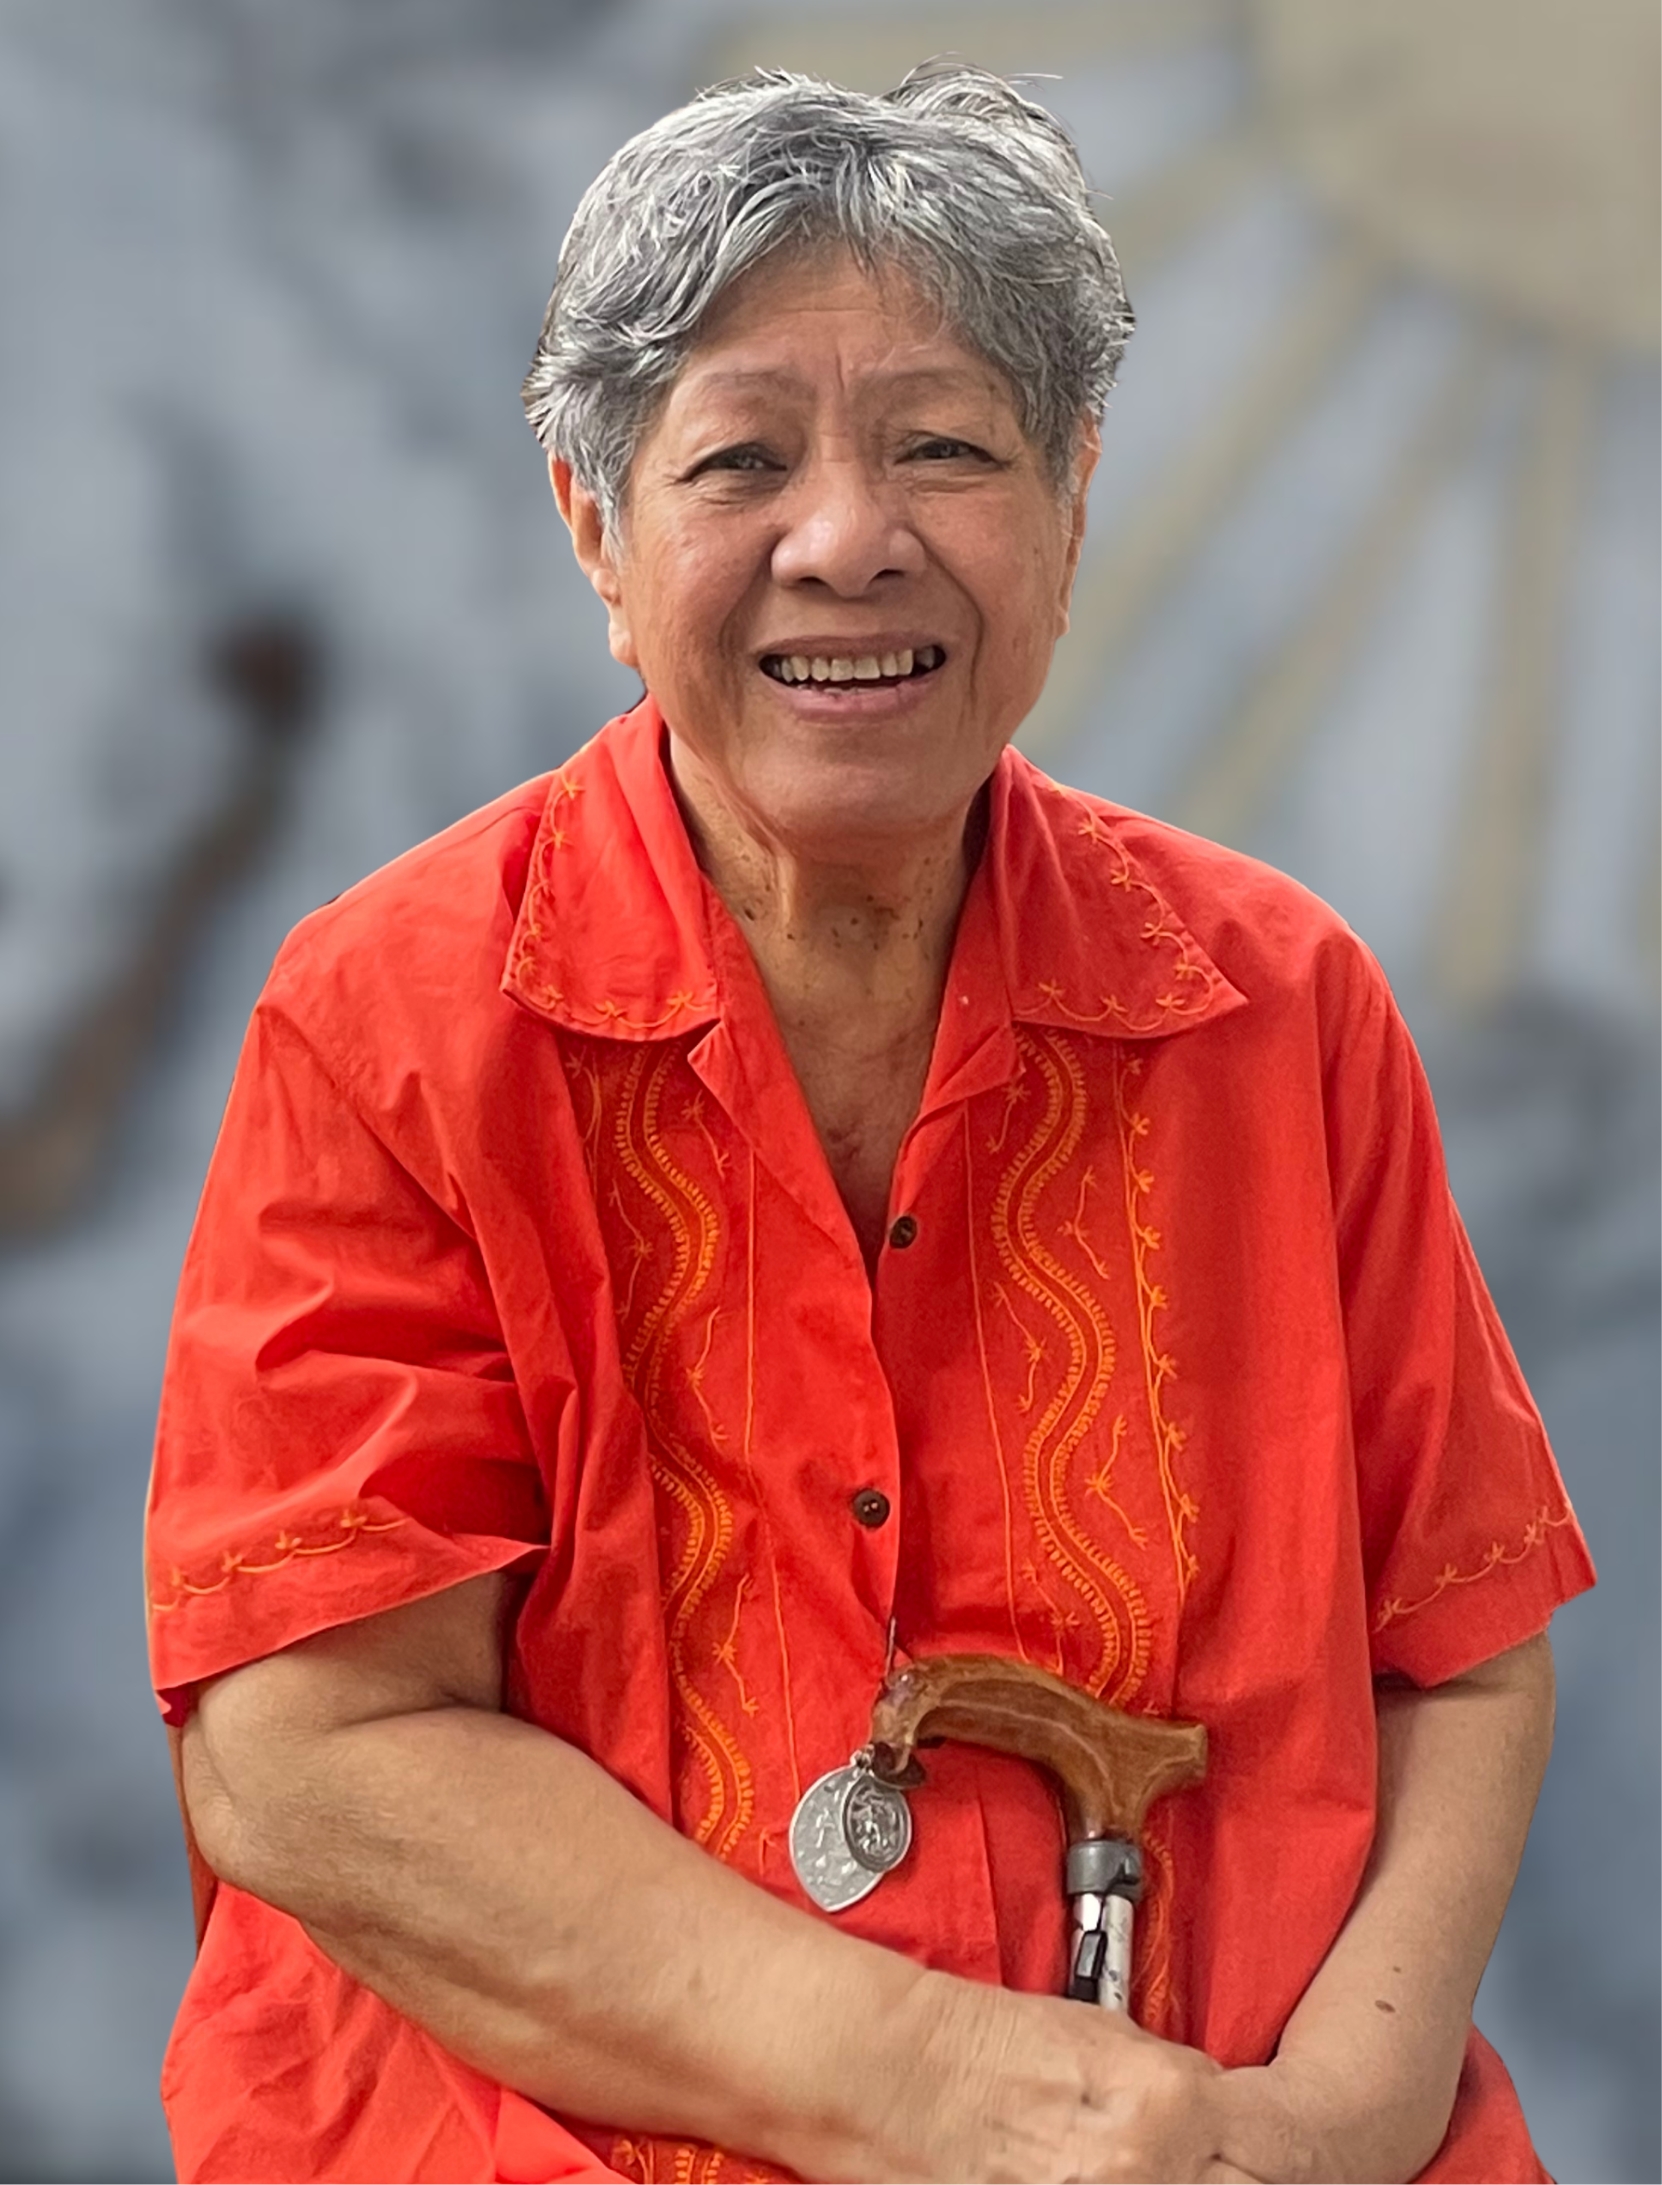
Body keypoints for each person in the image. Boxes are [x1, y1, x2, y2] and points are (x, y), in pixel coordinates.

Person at [145, 64, 1594, 2185]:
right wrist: (960, 2096)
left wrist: (1329, 2126)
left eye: (946, 448)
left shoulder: (1282, 1008)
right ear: (595, 530)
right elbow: (309, 1746)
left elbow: (1459, 1654)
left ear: (1069, 511)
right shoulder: (390, 1019)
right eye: (742, 458)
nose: (847, 540)